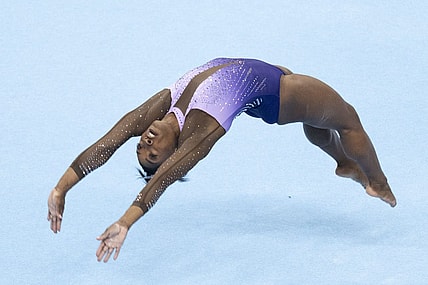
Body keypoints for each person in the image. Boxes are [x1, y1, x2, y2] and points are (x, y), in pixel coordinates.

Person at [47, 58, 396, 263]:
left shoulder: (160, 108)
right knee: (348, 118)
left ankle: (344, 163)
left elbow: (106, 143)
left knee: (317, 123)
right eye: (153, 154)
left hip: (267, 78)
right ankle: (377, 184)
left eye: (140, 148)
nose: (145, 144)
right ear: (176, 151)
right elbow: (164, 178)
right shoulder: (202, 127)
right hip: (281, 94)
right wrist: (125, 223)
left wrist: (62, 188)